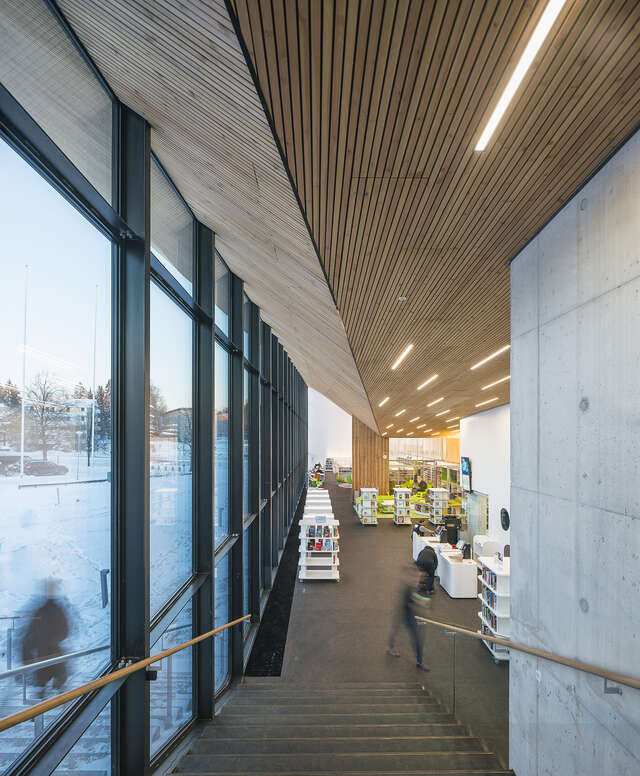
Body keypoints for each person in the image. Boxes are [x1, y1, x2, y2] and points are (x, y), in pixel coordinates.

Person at [20, 579, 70, 698]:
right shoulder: (52, 610)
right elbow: (65, 631)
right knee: (54, 684)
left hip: (45, 654)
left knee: (43, 686)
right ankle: (65, 711)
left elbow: (30, 634)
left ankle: (42, 708)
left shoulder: (42, 610)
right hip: (51, 654)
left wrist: (27, 654)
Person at [387, 574, 431, 671]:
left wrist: (424, 600)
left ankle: (390, 646)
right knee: (416, 638)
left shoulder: (410, 586)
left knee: (397, 630)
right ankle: (419, 662)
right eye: (421, 578)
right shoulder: (409, 588)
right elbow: (416, 598)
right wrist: (425, 601)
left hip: (405, 613)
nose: (422, 580)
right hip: (406, 615)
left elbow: (415, 597)